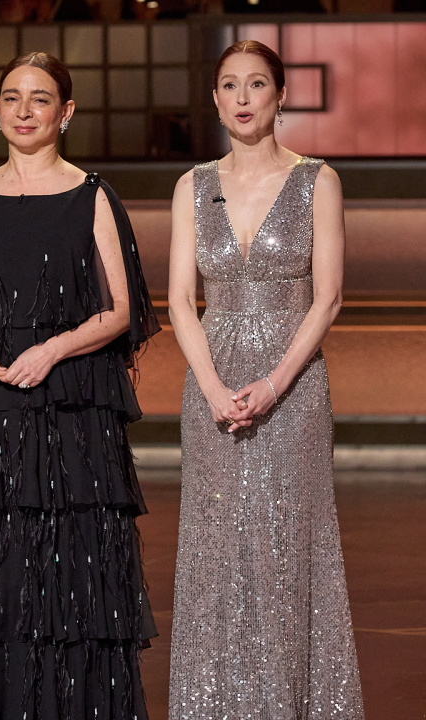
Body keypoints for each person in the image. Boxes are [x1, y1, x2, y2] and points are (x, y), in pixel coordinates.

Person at [0, 51, 159, 719]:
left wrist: (53, 349)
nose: (24, 110)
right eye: (11, 97)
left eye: (39, 98)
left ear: (65, 113)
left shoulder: (92, 196)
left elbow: (122, 310)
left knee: (70, 568)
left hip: (70, 406)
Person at [166, 40, 364, 719]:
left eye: (256, 84)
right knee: (218, 550)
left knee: (287, 547)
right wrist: (213, 388)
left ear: (281, 96)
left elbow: (328, 298)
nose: (243, 97)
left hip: (295, 387)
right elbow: (179, 302)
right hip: (212, 384)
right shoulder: (193, 186)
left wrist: (276, 385)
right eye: (230, 85)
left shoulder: (317, 181)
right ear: (216, 99)